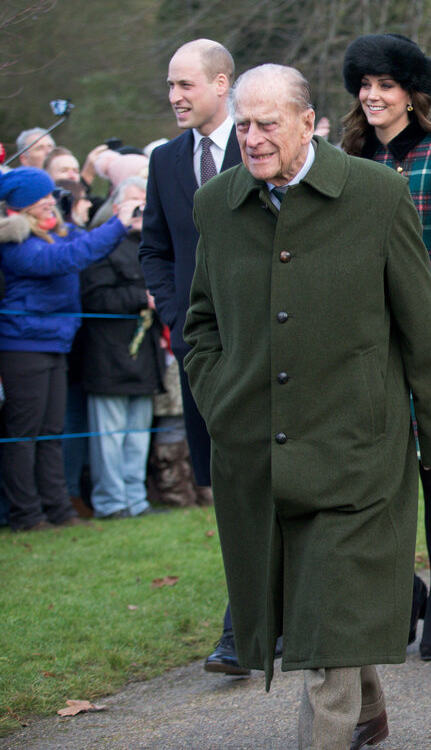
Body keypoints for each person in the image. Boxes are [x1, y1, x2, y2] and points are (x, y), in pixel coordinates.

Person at [185, 64, 431, 750]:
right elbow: (200, 324)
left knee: (329, 608)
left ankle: (329, 736)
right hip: (259, 449)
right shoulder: (217, 205)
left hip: (356, 446)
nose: (251, 139)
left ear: (308, 122)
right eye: (243, 124)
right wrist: (221, 397)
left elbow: (421, 323)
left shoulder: (375, 194)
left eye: (267, 124)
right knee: (309, 604)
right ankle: (369, 710)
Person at [339, 33, 431, 662]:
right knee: (378, 479)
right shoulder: (347, 159)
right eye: (365, 85)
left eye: (385, 85)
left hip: (428, 339)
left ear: (412, 96)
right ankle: (404, 592)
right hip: (364, 346)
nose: (372, 95)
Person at [138, 38, 246, 675]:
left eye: (184, 85)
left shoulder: (262, 143)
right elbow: (155, 246)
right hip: (200, 354)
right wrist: (178, 315)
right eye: (170, 87)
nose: (174, 97)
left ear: (220, 83)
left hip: (268, 345)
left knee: (268, 474)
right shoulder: (166, 161)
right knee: (226, 484)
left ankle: (243, 626)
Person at [0, 167, 135, 531]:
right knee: (22, 435)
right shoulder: (13, 243)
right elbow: (69, 258)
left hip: (54, 343)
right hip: (22, 346)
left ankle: (59, 511)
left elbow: (79, 245)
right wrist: (119, 223)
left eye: (49, 195)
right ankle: (26, 516)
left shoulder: (55, 232)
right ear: (20, 206)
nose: (49, 201)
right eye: (39, 198)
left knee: (50, 432)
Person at [78, 177, 165, 520]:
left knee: (138, 434)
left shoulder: (153, 246)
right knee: (109, 436)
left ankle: (136, 498)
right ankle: (111, 502)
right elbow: (94, 298)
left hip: (145, 355)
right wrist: (140, 299)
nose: (143, 207)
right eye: (135, 201)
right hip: (108, 352)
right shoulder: (100, 247)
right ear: (116, 208)